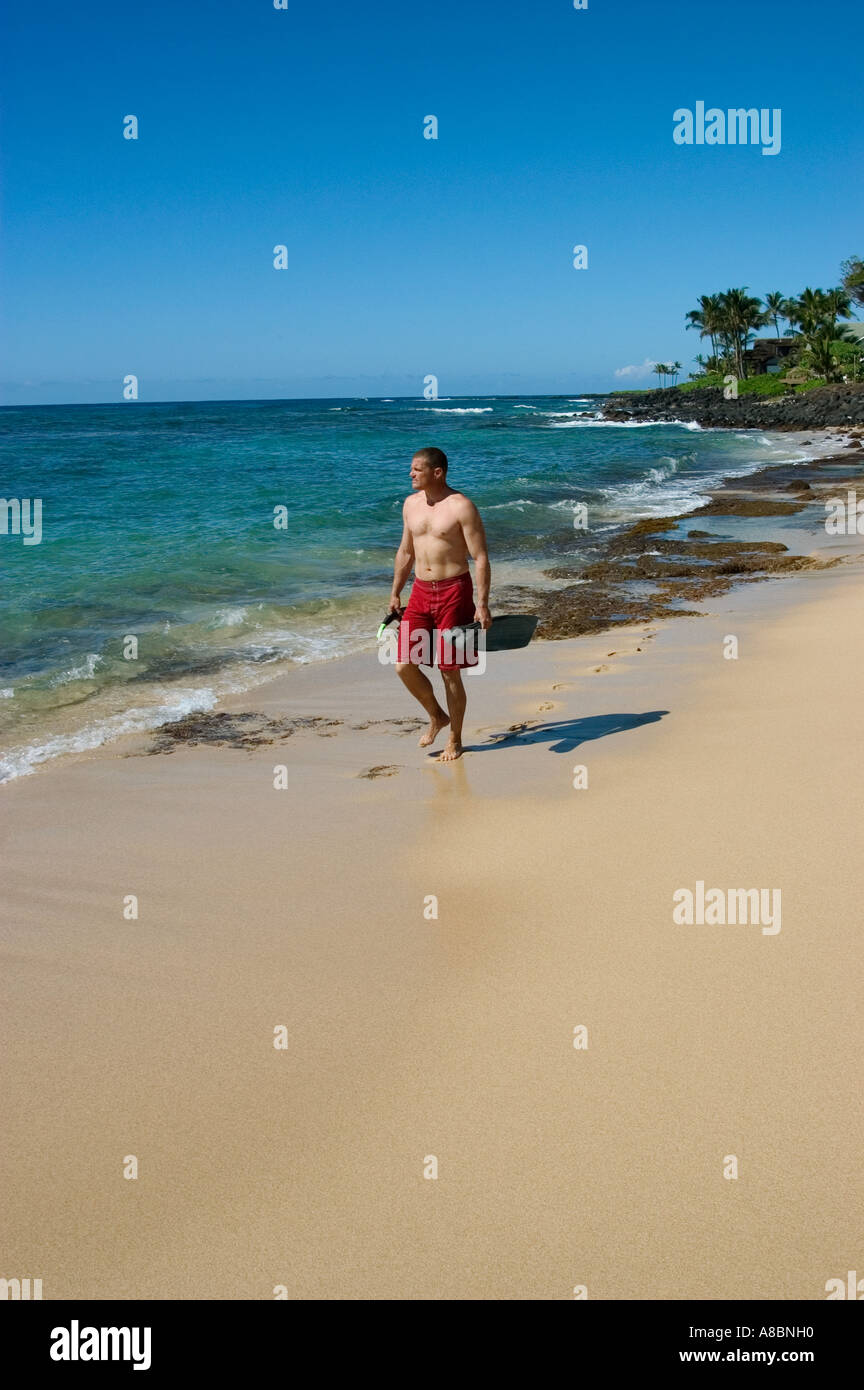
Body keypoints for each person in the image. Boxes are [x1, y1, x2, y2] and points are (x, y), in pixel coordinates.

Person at [389, 446, 491, 761]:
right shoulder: (410, 505)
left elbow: (481, 557)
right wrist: (395, 591)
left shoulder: (462, 506)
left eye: (417, 469)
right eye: (411, 468)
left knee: (450, 670)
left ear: (438, 472)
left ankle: (455, 739)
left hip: (454, 592)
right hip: (420, 591)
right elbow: (406, 552)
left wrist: (482, 603)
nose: (410, 474)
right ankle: (436, 715)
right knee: (404, 664)